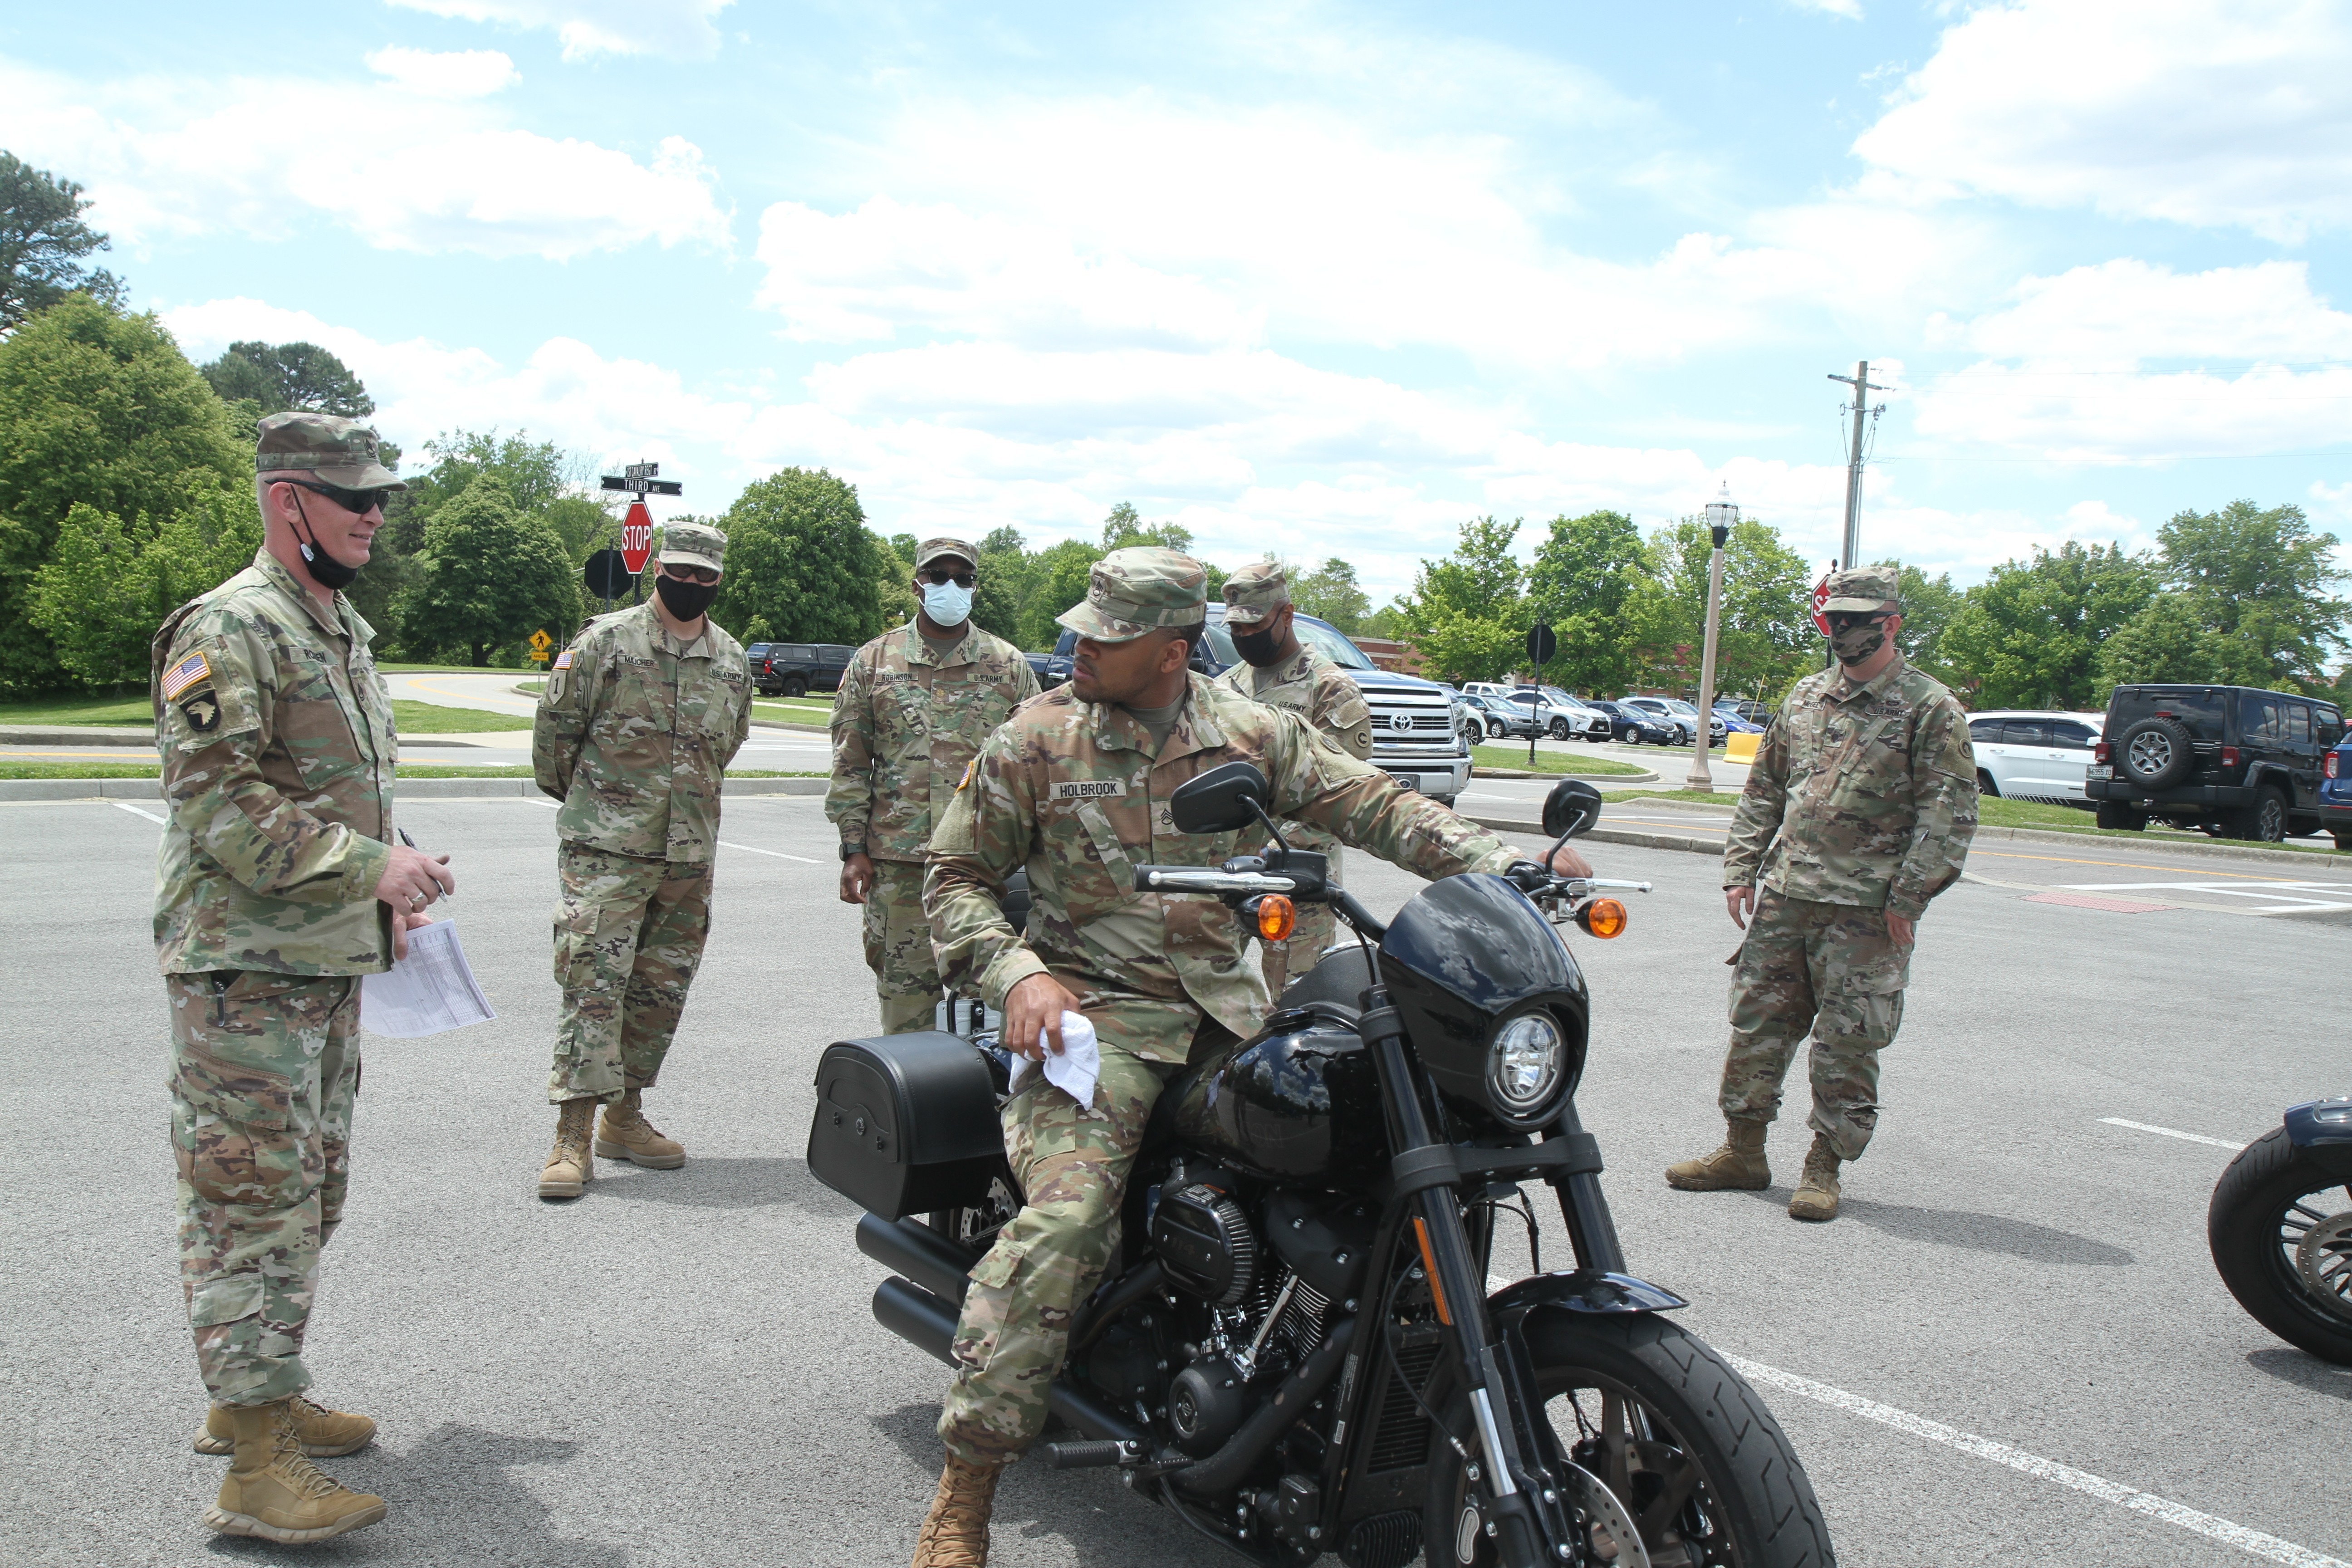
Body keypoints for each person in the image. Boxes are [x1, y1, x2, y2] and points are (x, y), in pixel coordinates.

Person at [902, 548, 1595, 1567]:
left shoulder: (1248, 730)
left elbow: (1376, 804)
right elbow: (953, 879)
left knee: (1361, 1144)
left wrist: (1506, 868)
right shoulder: (1037, 737)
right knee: (1066, 1223)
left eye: (1109, 631)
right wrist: (1019, 977)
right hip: (1093, 1027)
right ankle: (967, 1486)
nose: (1082, 643)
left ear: (1175, 650)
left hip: (1231, 1016)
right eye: (1084, 626)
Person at [153, 412, 454, 1544]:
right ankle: (253, 1463)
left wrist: (387, 880)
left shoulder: (334, 622)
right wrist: (375, 866)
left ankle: (260, 1394)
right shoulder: (228, 626)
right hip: (244, 975)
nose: (376, 513)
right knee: (250, 1205)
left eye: (380, 496)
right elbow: (224, 807)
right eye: (354, 497)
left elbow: (332, 789)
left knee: (308, 1193)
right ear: (290, 502)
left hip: (318, 963)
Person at [1665, 564, 1978, 1221]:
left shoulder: (1930, 708)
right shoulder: (1806, 697)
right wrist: (1741, 867)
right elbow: (1766, 789)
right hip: (1785, 898)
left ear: (1890, 624)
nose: (1844, 631)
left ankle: (1823, 1167)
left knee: (1848, 1041)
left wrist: (1908, 898)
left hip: (1865, 913)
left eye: (1858, 620)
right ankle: (1742, 1153)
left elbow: (1947, 815)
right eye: (1835, 619)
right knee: (1757, 1028)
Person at [531, 521, 752, 1199]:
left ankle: (624, 1119)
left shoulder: (732, 660)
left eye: (703, 578)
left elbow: (728, 745)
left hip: (687, 858)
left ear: (718, 580)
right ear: (658, 568)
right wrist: (605, 813)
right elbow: (554, 745)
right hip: (607, 852)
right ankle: (572, 1136)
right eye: (679, 573)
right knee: (595, 987)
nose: (689, 586)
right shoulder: (604, 643)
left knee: (658, 993)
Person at [828, 536, 1039, 1032]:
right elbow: (851, 763)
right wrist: (853, 848)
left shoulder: (1008, 665)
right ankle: (911, 1106)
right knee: (906, 1012)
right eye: (939, 576)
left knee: (989, 1014)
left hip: (987, 868)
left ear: (975, 587)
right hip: (902, 868)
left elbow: (1037, 766)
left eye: (962, 578)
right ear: (918, 584)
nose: (951, 586)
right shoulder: (875, 662)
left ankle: (983, 1109)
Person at [1209, 560, 1373, 993]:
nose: (1244, 636)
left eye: (1254, 625)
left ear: (1286, 615)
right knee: (1211, 994)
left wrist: (1268, 852)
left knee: (1296, 1002)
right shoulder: (1224, 687)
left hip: (1297, 880)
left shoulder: (1329, 688)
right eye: (1236, 628)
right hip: (1230, 876)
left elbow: (1344, 793)